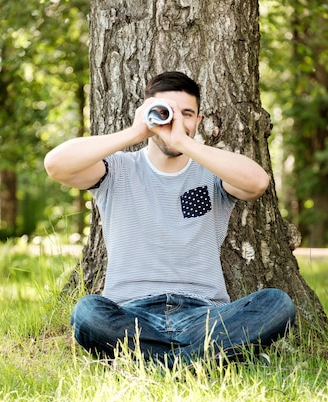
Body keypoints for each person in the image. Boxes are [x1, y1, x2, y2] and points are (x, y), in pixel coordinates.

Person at [44, 71, 295, 367]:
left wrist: (184, 142)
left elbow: (257, 183)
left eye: (186, 114)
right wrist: (136, 133)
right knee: (87, 313)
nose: (176, 120)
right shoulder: (116, 169)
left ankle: (150, 363)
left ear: (198, 121)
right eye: (166, 111)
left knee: (278, 304)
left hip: (204, 316)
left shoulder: (213, 172)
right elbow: (55, 165)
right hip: (131, 315)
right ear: (147, 113)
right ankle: (209, 360)